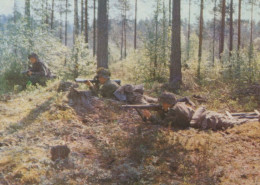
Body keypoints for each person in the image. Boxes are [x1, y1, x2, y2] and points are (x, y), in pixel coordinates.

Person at [142, 92, 245, 130]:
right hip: (206, 115)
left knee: (234, 123)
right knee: (229, 120)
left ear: (166, 103)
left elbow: (164, 124)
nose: (161, 105)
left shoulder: (174, 110)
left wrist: (150, 117)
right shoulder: (179, 105)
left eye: (162, 103)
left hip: (207, 120)